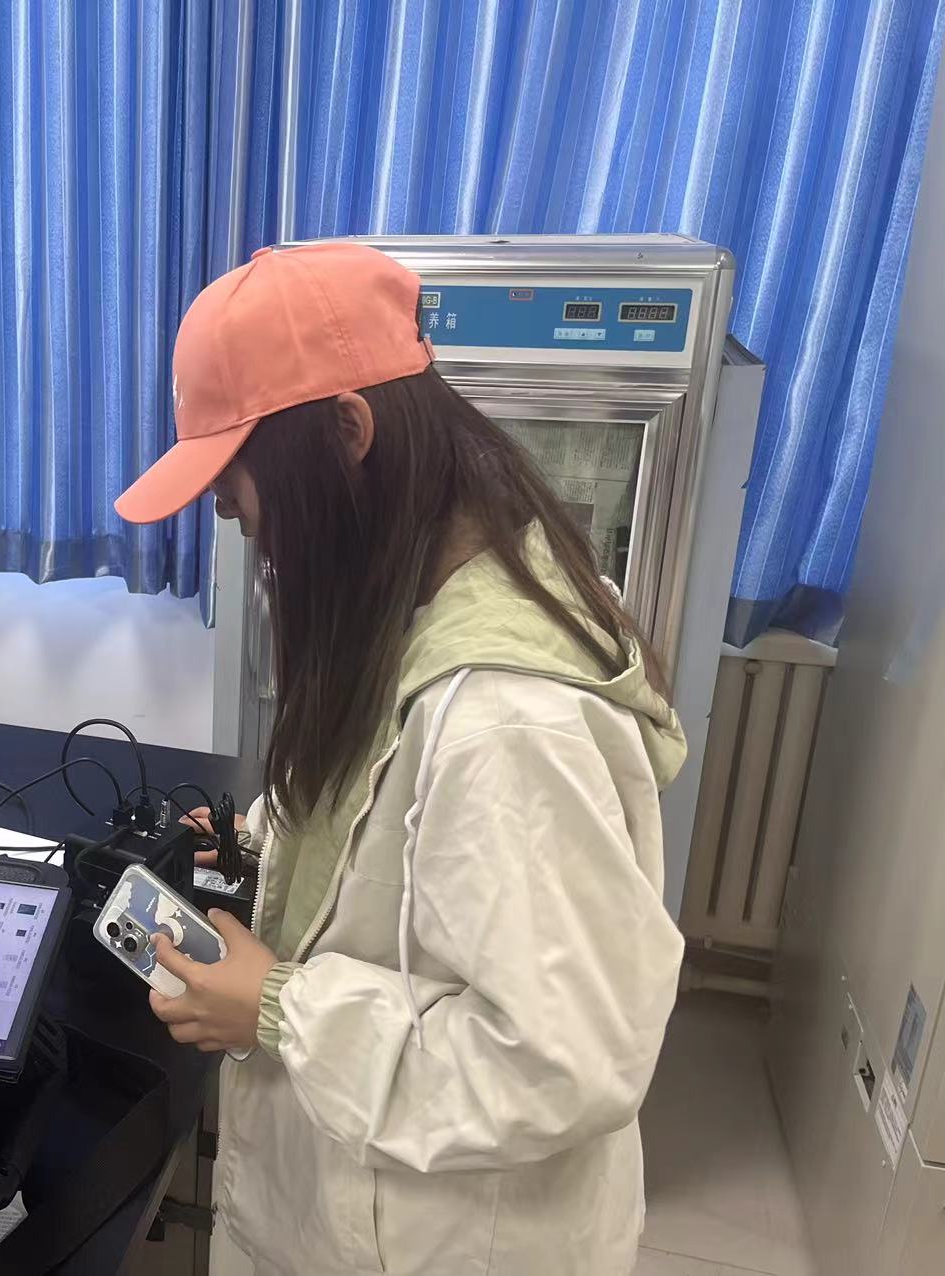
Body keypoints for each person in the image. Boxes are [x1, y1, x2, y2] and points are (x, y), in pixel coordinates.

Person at [113, 242, 686, 1276]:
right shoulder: (433, 583)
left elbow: (566, 1061)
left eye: (241, 493)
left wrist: (281, 1008)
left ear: (348, 432)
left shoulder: (512, 726)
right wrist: (269, 846)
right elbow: (401, 822)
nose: (246, 532)